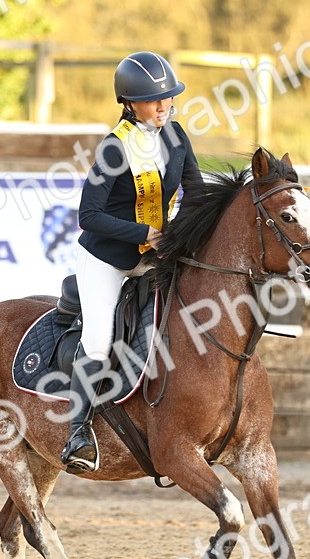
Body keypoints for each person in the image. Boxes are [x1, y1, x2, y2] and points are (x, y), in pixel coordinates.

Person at [60, 51, 205, 474]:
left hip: (156, 257)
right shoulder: (113, 148)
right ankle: (78, 432)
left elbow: (194, 192)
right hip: (108, 259)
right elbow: (88, 216)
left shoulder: (176, 137)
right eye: (153, 100)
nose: (164, 107)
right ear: (129, 103)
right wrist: (145, 234)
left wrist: (180, 234)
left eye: (169, 99)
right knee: (100, 340)